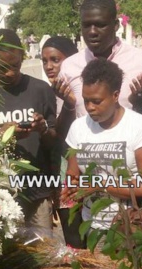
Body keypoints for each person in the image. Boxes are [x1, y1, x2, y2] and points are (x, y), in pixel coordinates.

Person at [63, 59, 142, 232]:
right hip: (92, 224)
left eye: (96, 101)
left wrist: (102, 185)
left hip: (132, 227)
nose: (90, 107)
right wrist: (72, 189)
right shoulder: (78, 128)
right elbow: (73, 173)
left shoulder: (141, 127)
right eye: (86, 101)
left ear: (115, 95)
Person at [0, 29, 58, 236]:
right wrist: (1, 134)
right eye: (3, 67)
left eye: (15, 65)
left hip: (37, 190)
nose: (10, 73)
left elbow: (53, 142)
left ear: (23, 57)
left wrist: (43, 129)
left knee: (45, 253)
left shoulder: (40, 89)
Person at [58, 0, 142, 121]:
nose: (92, 32)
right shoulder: (69, 67)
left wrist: (140, 101)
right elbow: (61, 129)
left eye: (100, 25)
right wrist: (69, 105)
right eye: (86, 25)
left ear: (116, 25)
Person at [40, 36, 85, 249]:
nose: (49, 66)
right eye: (45, 61)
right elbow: (55, 136)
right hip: (62, 173)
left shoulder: (87, 89)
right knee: (74, 238)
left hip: (89, 169)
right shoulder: (44, 93)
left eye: (55, 60)